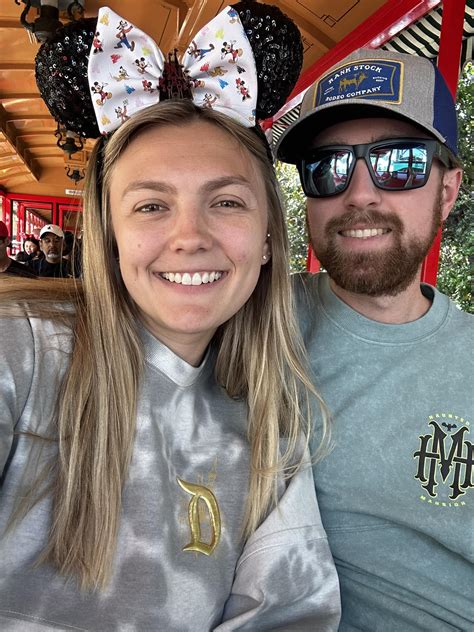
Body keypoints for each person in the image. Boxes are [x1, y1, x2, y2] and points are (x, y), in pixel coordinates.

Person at [0, 5, 341, 630]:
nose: (190, 237)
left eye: (227, 202)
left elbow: (289, 612)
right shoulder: (19, 350)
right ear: (109, 236)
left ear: (268, 237)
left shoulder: (273, 423)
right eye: (151, 206)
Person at [276, 48, 473, 630]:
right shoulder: (250, 318)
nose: (359, 194)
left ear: (447, 191)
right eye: (327, 167)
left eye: (399, 162)